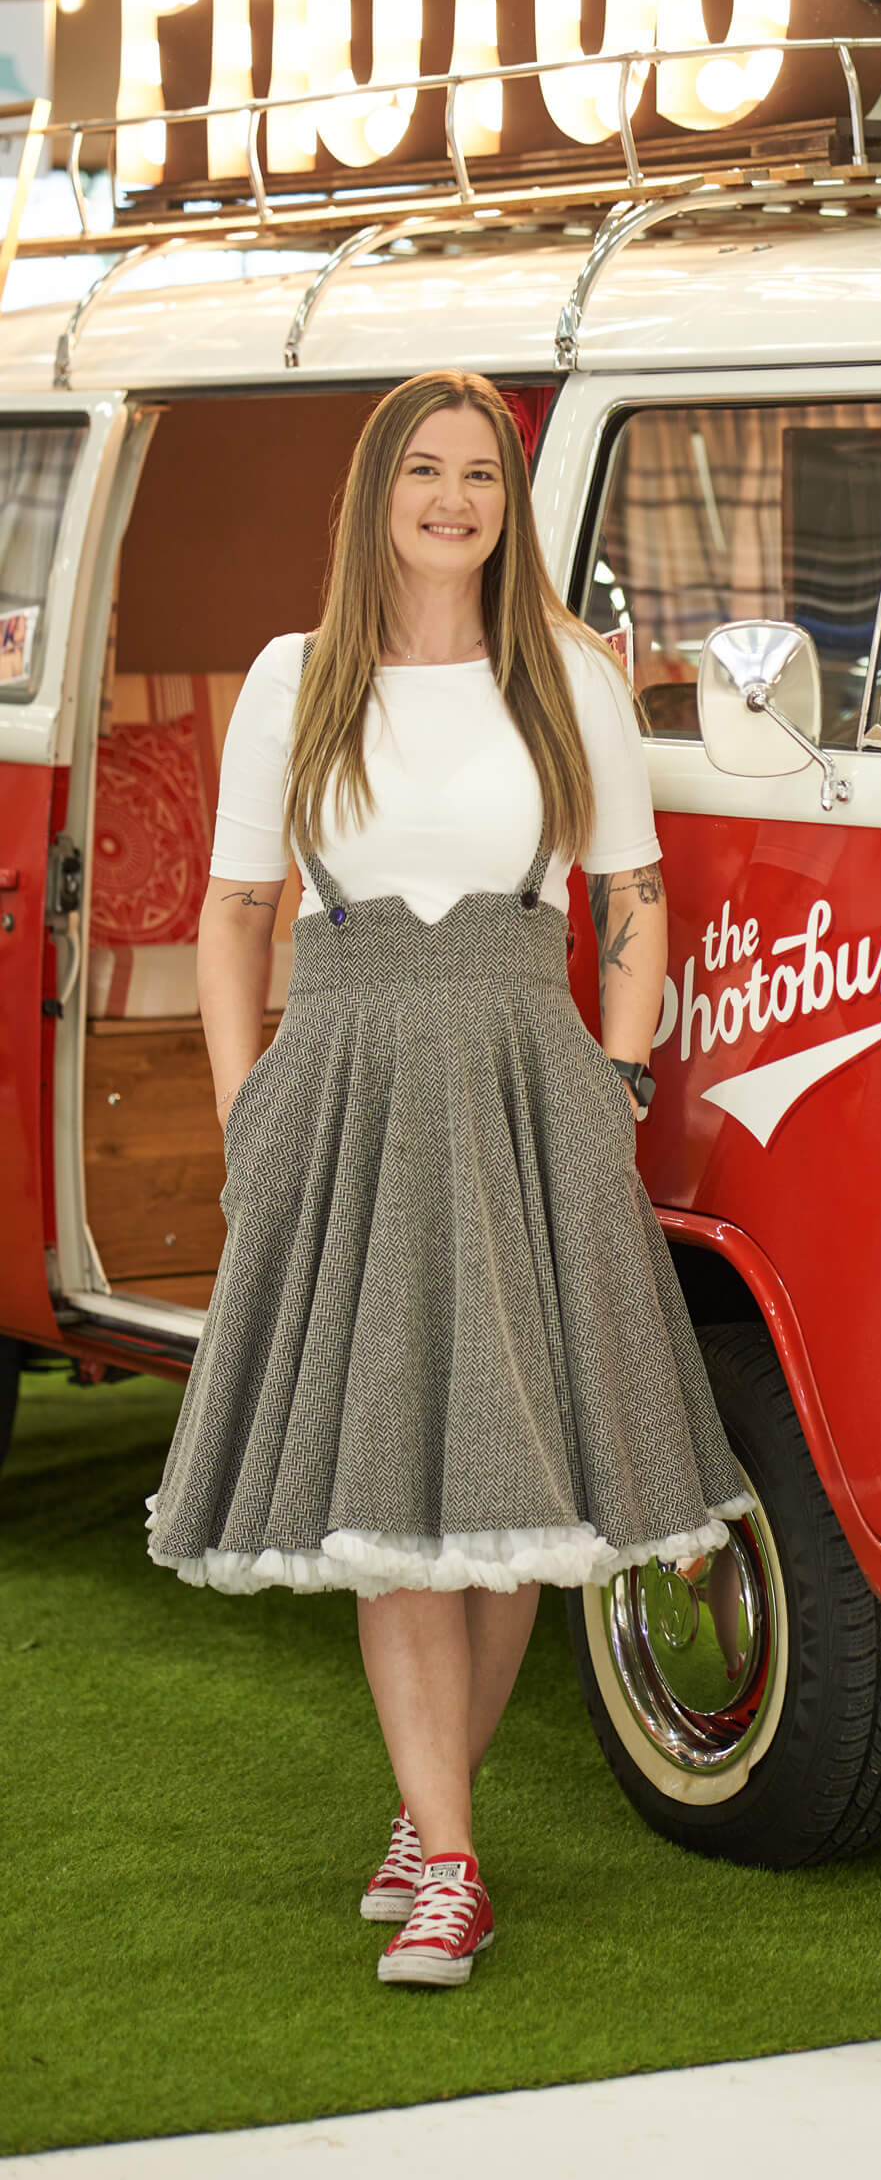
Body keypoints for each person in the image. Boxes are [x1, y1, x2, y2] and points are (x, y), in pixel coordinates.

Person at [146, 369, 755, 1989]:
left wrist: (613, 1079)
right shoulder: (297, 677)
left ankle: (435, 1821)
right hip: (341, 1083)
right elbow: (231, 911)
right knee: (384, 1499)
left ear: (511, 501)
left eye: (480, 473)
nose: (453, 499)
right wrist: (245, 1106)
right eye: (424, 470)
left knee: (497, 1505)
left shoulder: (567, 676)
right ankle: (453, 1860)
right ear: (377, 495)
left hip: (523, 1080)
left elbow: (631, 885)